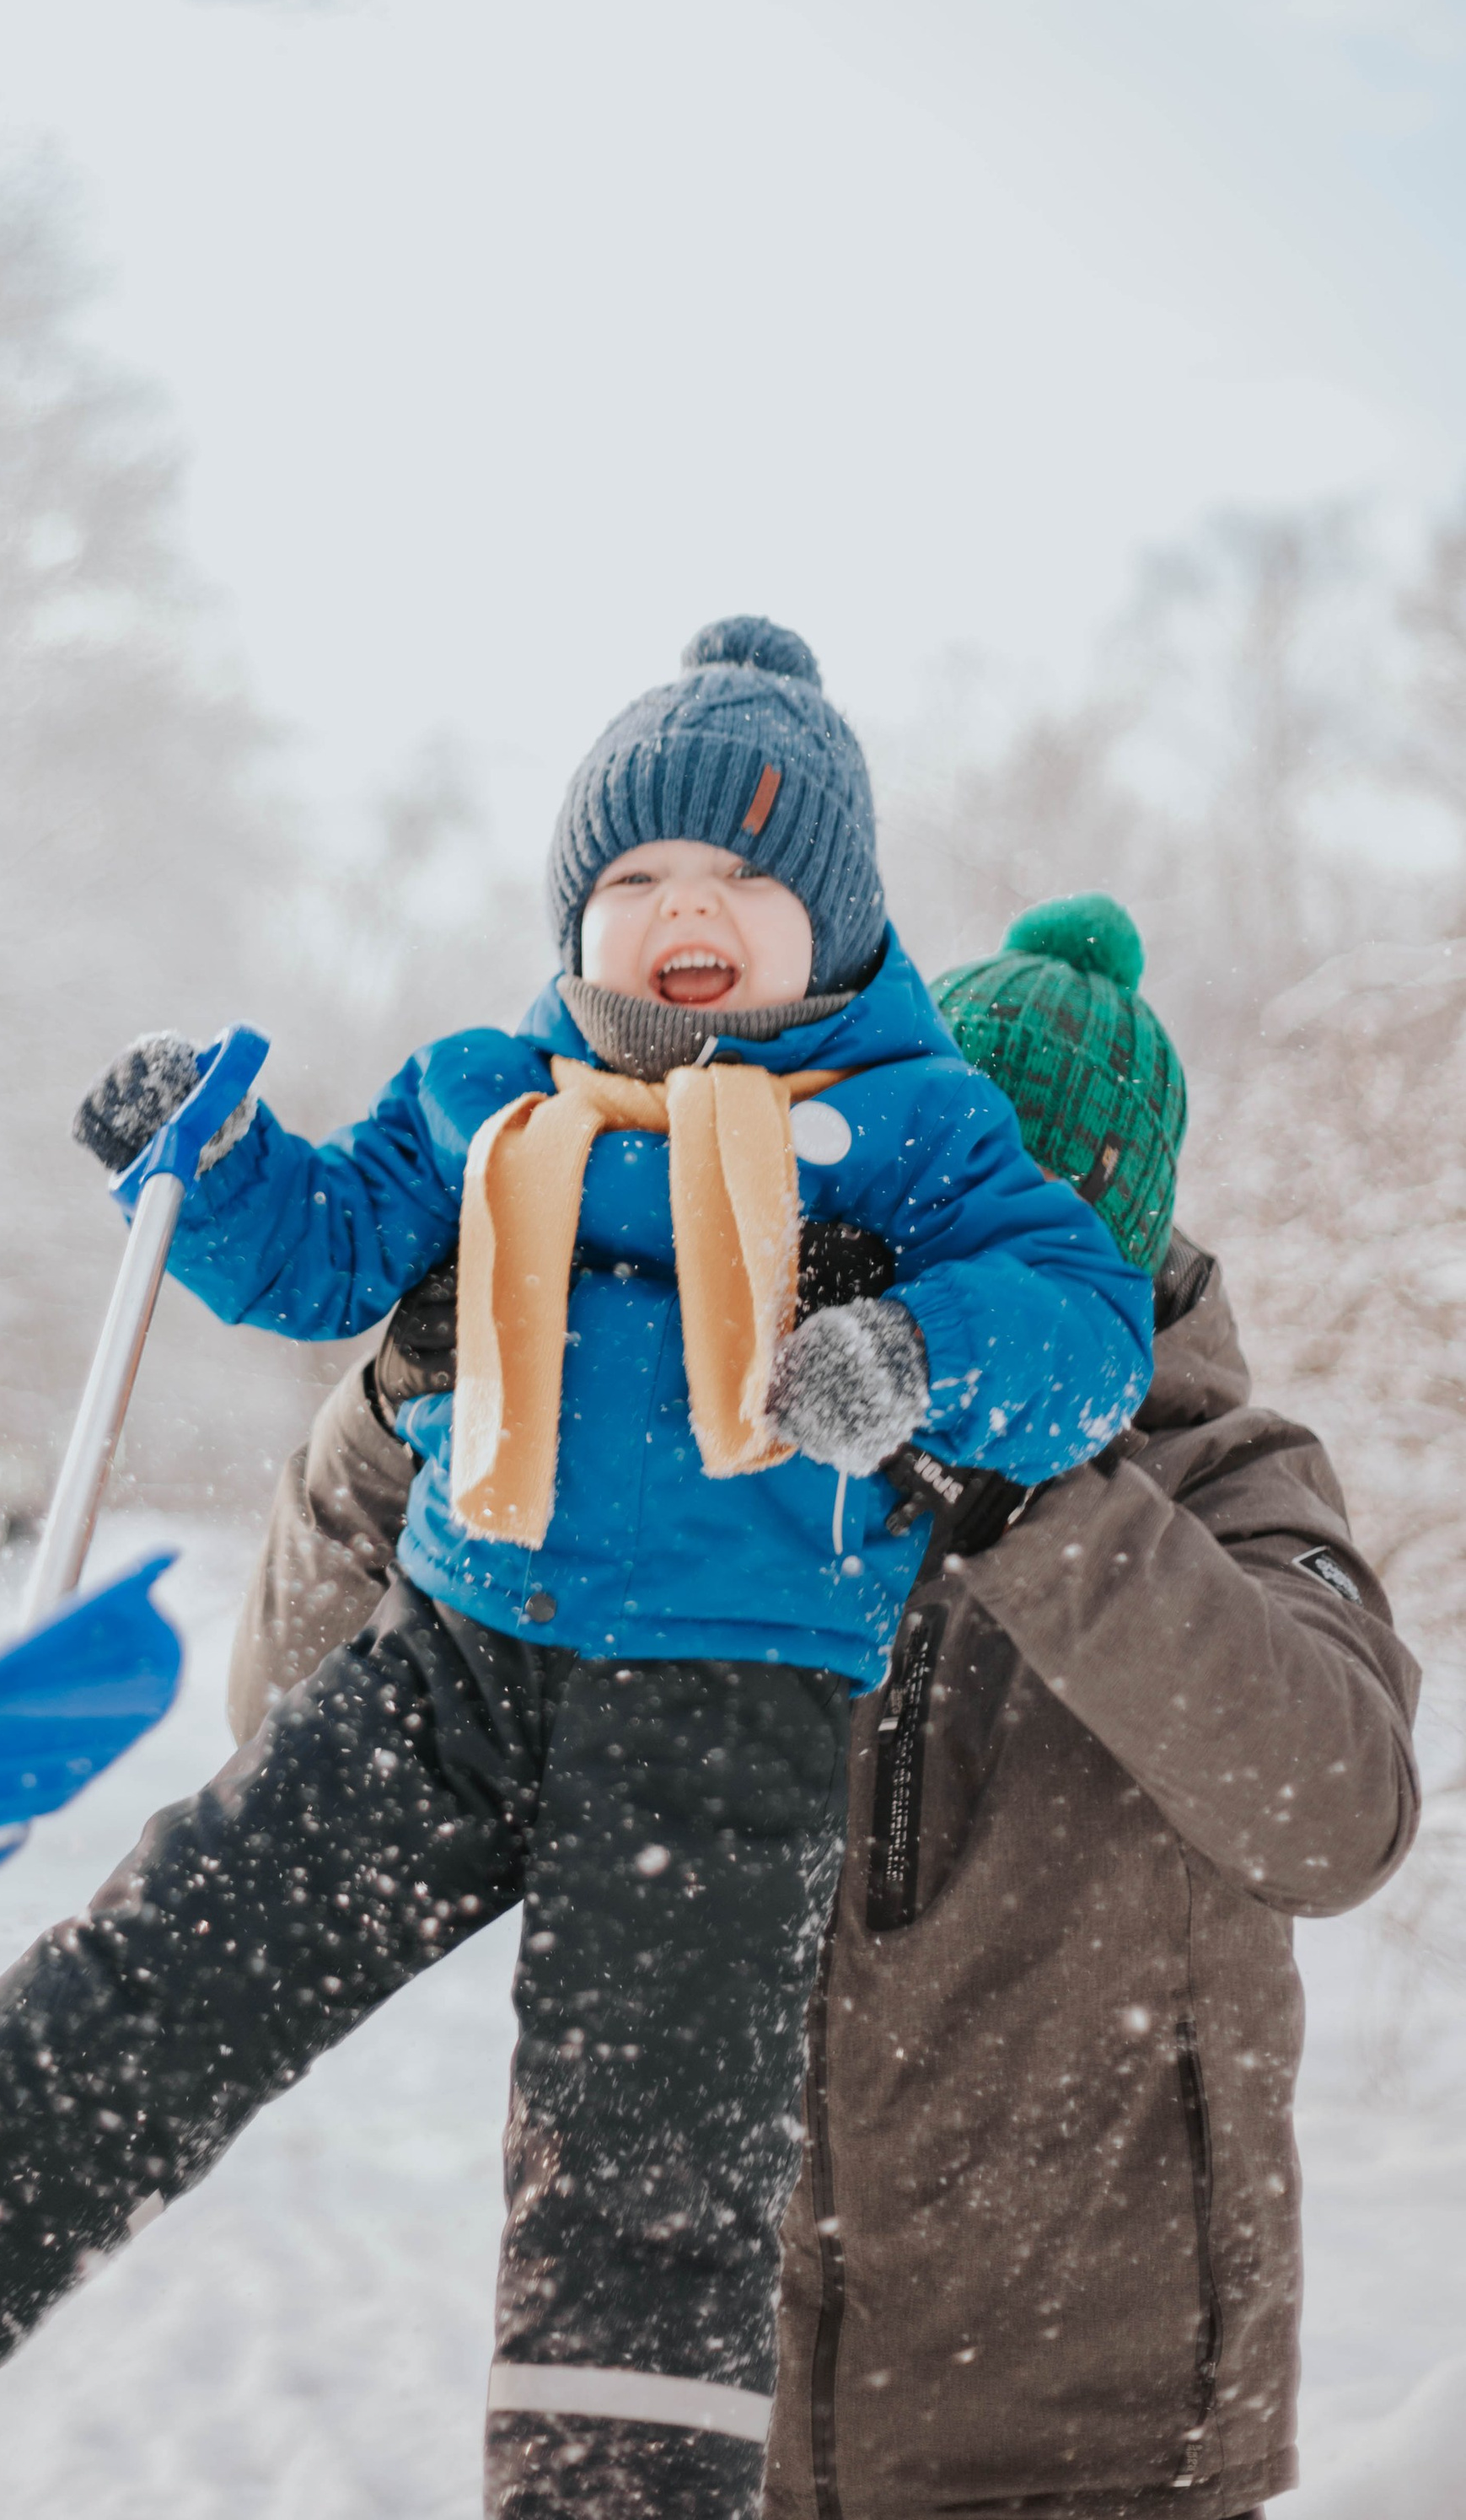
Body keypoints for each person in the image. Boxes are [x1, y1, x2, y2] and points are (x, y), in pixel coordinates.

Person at [0, 615, 1152, 2507]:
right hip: (456, 1651)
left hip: (730, 1698)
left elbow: (1083, 1326)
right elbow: (324, 1261)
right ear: (569, 912)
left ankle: (615, 2490)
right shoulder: (478, 1094)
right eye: (632, 873)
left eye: (742, 875)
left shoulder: (916, 1127)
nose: (682, 905)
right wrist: (215, 1166)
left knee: (648, 2153)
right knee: (192, 1938)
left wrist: (919, 1353)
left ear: (836, 918)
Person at [234, 896, 1423, 2520]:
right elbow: (296, 1728)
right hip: (688, 2404)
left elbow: (1336, 1809)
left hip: (1095, 2442)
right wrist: (396, 1416)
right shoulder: (710, 1450)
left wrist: (1025, 1484)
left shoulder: (1228, 1482)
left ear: (1099, 1247)